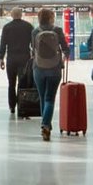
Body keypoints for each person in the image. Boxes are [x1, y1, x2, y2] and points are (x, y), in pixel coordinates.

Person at [31, 8, 69, 141]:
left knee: (42, 97)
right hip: (54, 68)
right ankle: (46, 124)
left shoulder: (35, 31)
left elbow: (33, 49)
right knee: (50, 98)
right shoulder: (57, 30)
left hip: (38, 68)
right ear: (51, 18)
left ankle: (46, 124)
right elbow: (65, 48)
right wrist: (65, 55)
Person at [0, 8, 34, 114]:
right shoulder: (28, 26)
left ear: (12, 15)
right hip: (25, 58)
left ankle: (12, 106)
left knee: (11, 83)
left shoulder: (7, 27)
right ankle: (22, 105)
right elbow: (33, 43)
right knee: (23, 83)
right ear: (21, 15)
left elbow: (3, 44)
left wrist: (1, 58)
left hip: (11, 59)